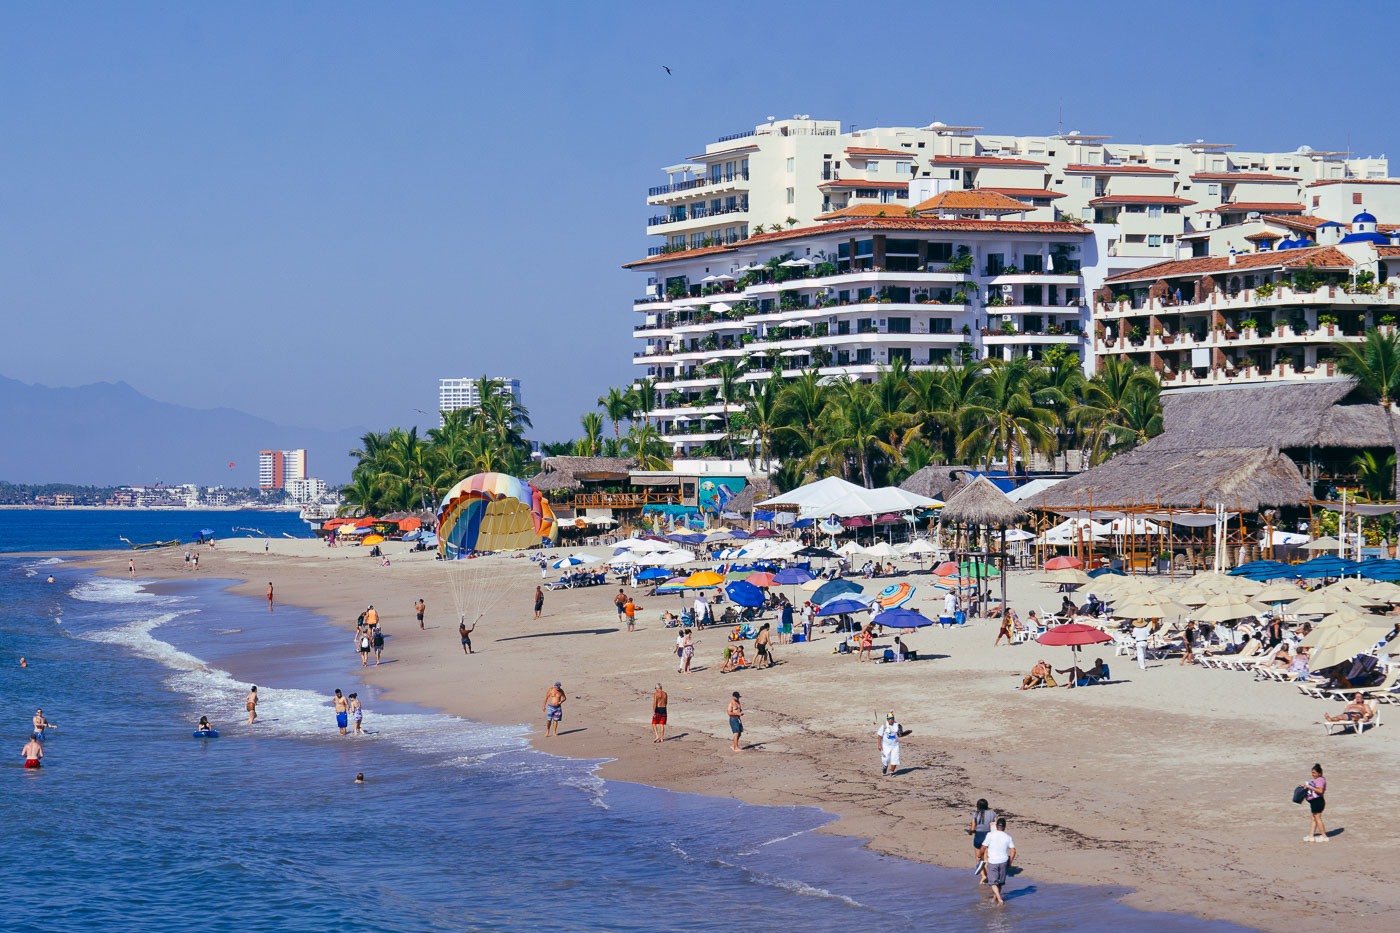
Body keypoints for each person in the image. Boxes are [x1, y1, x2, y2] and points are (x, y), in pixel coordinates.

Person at [979, 817, 1016, 905]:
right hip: (1003, 861)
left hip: (993, 861)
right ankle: (994, 898)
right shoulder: (1008, 837)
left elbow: (983, 847)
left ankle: (999, 898)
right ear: (1005, 827)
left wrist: (980, 856)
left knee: (992, 882)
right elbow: (1013, 851)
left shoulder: (990, 835)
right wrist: (1010, 862)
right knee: (1000, 882)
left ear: (996, 826)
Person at [968, 799, 998, 883]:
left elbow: (973, 828)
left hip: (978, 837)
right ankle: (990, 876)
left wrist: (970, 831)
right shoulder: (992, 813)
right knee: (987, 858)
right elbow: (996, 825)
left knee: (979, 858)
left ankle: (983, 876)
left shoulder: (975, 814)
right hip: (989, 837)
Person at [876, 712, 910, 776]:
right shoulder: (884, 726)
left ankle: (892, 772)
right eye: (889, 719)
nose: (891, 720)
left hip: (895, 745)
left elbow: (900, 734)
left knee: (895, 758)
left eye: (892, 718)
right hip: (886, 745)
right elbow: (879, 735)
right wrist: (879, 745)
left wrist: (905, 733)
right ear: (887, 719)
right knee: (886, 759)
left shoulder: (897, 725)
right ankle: (885, 766)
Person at [1304, 763, 1327, 842]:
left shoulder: (1320, 780)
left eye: (1314, 773)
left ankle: (1324, 835)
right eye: (1312, 773)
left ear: (1319, 773)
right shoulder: (1317, 780)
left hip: (1318, 801)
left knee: (1317, 818)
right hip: (1314, 801)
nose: (1312, 774)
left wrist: (1309, 787)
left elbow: (1320, 790)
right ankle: (1311, 835)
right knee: (1313, 818)